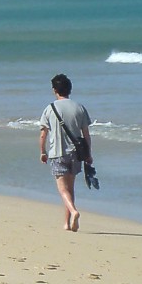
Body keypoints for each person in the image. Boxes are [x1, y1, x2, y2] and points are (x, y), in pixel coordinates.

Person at [38, 73, 93, 232]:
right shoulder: (79, 107)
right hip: (76, 154)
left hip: (57, 153)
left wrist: (42, 151)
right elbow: (86, 135)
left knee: (63, 190)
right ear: (70, 89)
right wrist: (89, 154)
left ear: (55, 90)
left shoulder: (50, 109)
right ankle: (66, 223)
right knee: (70, 189)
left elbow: (43, 133)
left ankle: (74, 212)